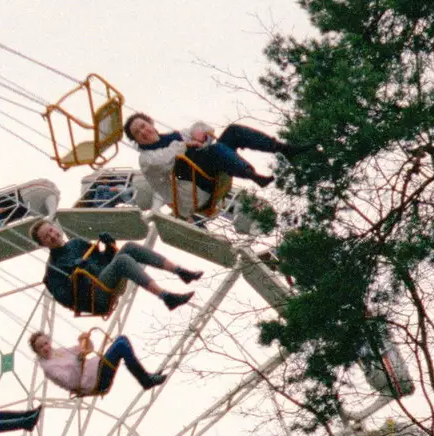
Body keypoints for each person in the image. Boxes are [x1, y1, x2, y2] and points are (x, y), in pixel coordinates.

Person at [124, 112, 309, 206]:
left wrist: (201, 133)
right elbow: (163, 161)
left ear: (150, 123)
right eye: (137, 133)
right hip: (196, 189)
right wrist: (187, 145)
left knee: (233, 132)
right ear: (136, 140)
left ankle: (283, 148)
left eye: (143, 126)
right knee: (214, 150)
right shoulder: (147, 158)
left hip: (208, 170)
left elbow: (199, 131)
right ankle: (251, 175)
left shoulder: (174, 136)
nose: (143, 132)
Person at [29, 220, 200, 313]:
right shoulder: (53, 270)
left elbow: (104, 260)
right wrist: (78, 276)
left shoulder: (76, 244)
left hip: (105, 277)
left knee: (130, 248)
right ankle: (166, 297)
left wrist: (109, 245)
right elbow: (65, 299)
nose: (52, 235)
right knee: (123, 260)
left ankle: (180, 272)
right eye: (46, 236)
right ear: (42, 244)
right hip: (96, 296)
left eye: (51, 230)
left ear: (55, 228)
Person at [30, 330, 166, 396]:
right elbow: (72, 381)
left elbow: (87, 349)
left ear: (49, 341)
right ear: (37, 352)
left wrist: (84, 340)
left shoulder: (59, 352)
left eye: (46, 343)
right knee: (121, 346)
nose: (45, 348)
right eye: (41, 347)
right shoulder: (50, 368)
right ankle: (145, 380)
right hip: (94, 381)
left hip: (97, 369)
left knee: (121, 339)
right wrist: (79, 360)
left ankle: (145, 378)